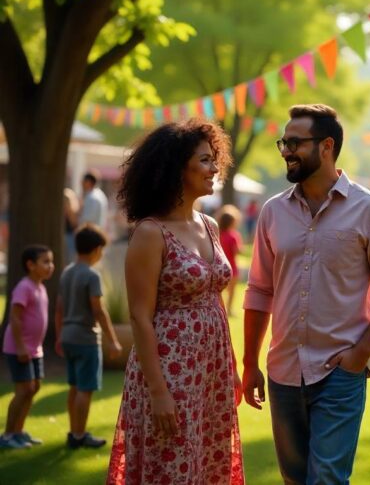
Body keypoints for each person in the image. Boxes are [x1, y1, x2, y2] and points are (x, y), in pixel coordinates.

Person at [242, 104, 370, 485]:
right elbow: (259, 290)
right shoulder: (272, 212)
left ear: (327, 146)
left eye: (295, 142)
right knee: (296, 479)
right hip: (283, 371)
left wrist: (360, 355)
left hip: (339, 372)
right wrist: (250, 362)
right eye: (283, 142)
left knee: (327, 479)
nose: (285, 150)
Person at [107, 119, 244, 484]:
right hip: (170, 370)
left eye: (215, 159)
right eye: (204, 160)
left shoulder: (210, 225)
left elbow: (215, 304)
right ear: (175, 167)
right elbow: (139, 317)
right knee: (171, 465)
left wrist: (229, 368)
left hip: (210, 369)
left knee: (208, 462)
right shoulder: (151, 233)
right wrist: (158, 390)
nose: (215, 168)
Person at [55, 224, 122, 449]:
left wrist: (58, 336)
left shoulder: (66, 272)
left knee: (74, 387)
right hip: (86, 339)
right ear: (95, 250)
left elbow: (59, 308)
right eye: (101, 250)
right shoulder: (92, 275)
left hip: (68, 336)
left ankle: (74, 432)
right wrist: (112, 340)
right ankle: (80, 434)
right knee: (85, 389)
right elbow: (98, 309)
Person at [1, 245, 54, 449]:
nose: (51, 266)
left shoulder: (40, 286)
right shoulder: (24, 287)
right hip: (19, 348)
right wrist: (21, 347)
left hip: (35, 349)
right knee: (23, 390)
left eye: (51, 261)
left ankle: (19, 432)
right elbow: (14, 319)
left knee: (33, 388)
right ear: (30, 265)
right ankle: (7, 435)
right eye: (45, 262)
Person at [217, 204, 244, 317]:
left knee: (219, 291)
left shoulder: (217, 234)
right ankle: (229, 309)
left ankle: (220, 308)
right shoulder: (234, 235)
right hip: (232, 267)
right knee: (231, 291)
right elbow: (237, 251)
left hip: (219, 267)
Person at [63, 188, 80, 264]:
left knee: (68, 259)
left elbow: (73, 223)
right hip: (69, 236)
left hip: (69, 235)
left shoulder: (70, 211)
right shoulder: (73, 210)